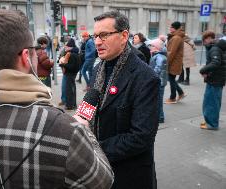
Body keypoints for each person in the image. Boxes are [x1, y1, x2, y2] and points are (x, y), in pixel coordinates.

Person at [0, 9, 114, 188]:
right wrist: (85, 130)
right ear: (26, 57)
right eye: (33, 49)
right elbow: (103, 181)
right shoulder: (63, 129)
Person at [75, 11, 160, 189]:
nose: (97, 42)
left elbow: (140, 137)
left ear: (124, 36)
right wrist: (81, 119)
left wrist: (93, 149)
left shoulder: (145, 77)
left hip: (129, 175)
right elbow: (90, 103)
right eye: (95, 36)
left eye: (104, 35)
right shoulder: (99, 69)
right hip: (99, 172)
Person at [199, 30, 226, 130]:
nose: (204, 42)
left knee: (211, 102)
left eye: (204, 40)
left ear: (209, 38)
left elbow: (215, 63)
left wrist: (203, 70)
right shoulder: (216, 47)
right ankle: (210, 121)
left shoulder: (215, 48)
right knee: (211, 101)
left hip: (215, 80)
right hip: (215, 79)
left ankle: (212, 124)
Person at [165, 21, 186, 104]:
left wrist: (167, 62)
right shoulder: (176, 37)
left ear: (175, 28)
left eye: (171, 27)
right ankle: (181, 93)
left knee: (171, 79)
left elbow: (171, 52)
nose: (170, 28)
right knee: (171, 79)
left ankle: (172, 98)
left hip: (173, 62)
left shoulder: (176, 38)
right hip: (175, 62)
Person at [149, 38, 168, 124]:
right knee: (157, 99)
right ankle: (159, 116)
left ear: (156, 47)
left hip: (159, 82)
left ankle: (160, 117)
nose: (150, 47)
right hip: (158, 81)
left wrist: (149, 75)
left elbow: (158, 69)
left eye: (152, 46)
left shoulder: (160, 57)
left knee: (158, 100)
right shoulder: (157, 55)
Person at [59, 39, 80, 110]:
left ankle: (69, 105)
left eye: (67, 46)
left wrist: (62, 64)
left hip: (70, 74)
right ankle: (73, 104)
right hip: (72, 74)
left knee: (69, 90)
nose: (65, 48)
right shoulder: (75, 53)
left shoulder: (71, 55)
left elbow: (71, 66)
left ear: (70, 47)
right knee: (72, 89)